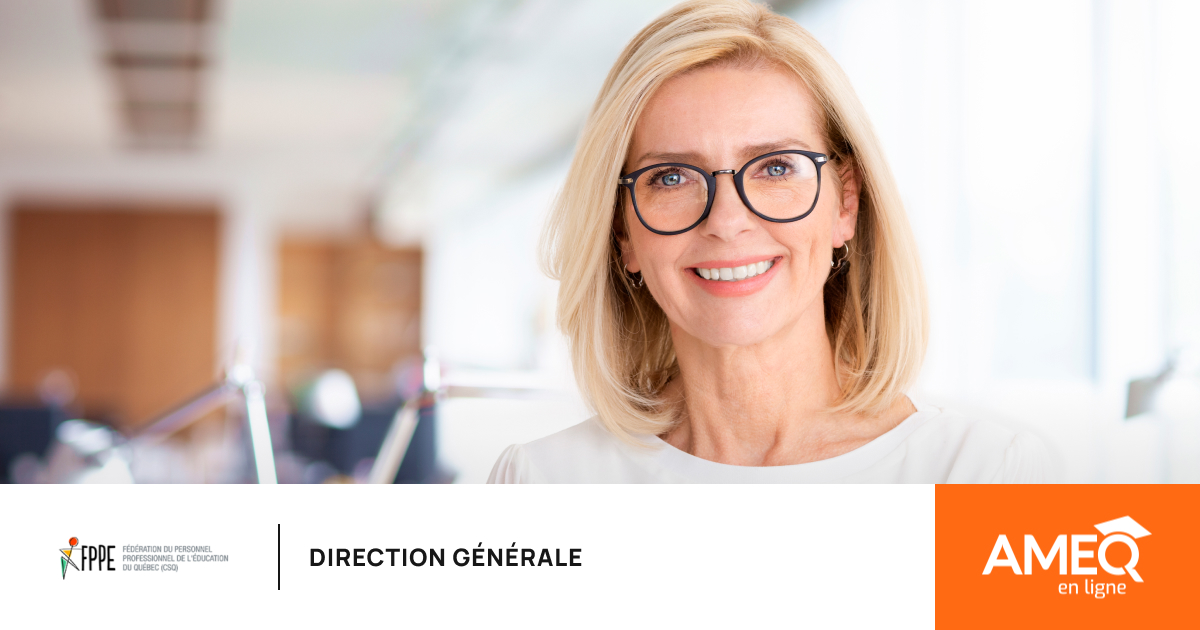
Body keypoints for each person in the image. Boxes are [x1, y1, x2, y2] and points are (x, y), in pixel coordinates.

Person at [489, 0, 1051, 483]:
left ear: (845, 204)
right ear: (622, 232)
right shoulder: (542, 482)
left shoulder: (988, 475)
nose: (726, 221)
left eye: (776, 168)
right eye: (672, 177)